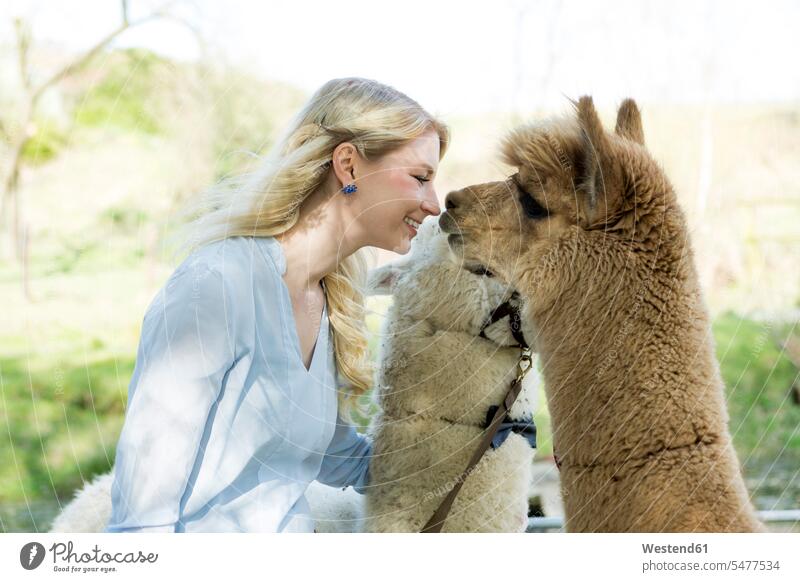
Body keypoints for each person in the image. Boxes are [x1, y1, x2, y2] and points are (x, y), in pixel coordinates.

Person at [104, 77, 449, 532]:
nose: (433, 204)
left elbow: (334, 455)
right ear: (348, 165)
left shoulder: (327, 300)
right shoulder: (218, 285)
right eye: (420, 178)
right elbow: (141, 519)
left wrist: (470, 440)